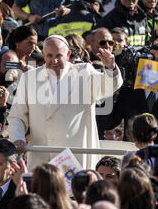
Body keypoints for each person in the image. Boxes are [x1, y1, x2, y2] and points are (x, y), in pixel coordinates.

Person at [8, 34, 123, 169]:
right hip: (42, 157)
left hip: (75, 159)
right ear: (44, 55)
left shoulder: (84, 72)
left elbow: (109, 86)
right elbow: (17, 116)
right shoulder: (29, 78)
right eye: (49, 56)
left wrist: (111, 67)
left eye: (58, 56)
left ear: (68, 54)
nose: (54, 61)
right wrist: (18, 139)